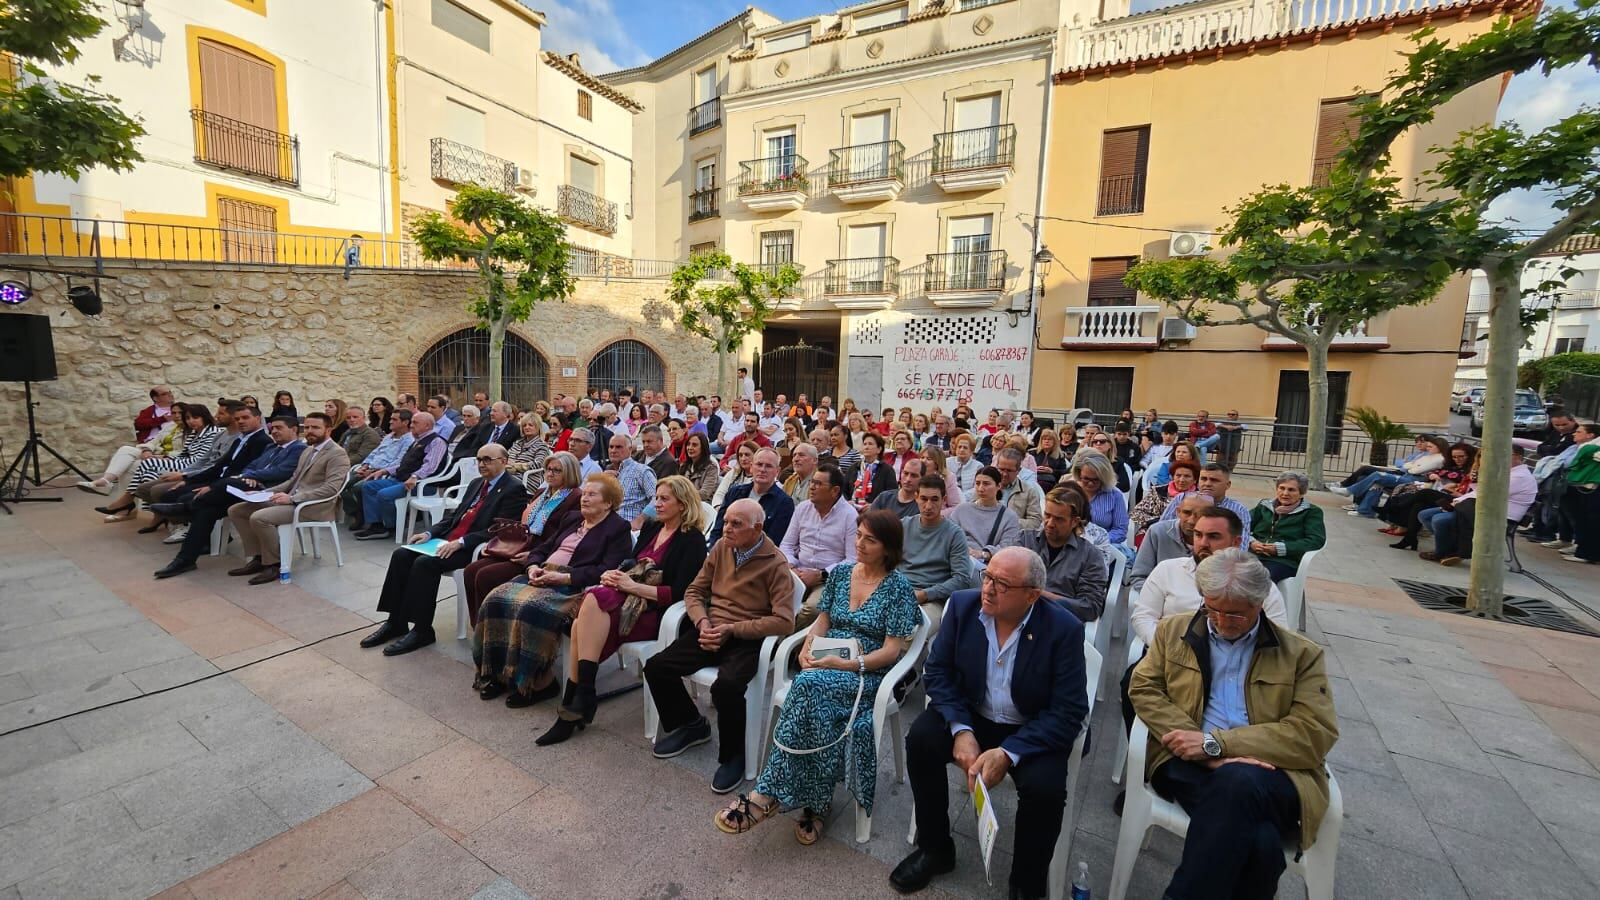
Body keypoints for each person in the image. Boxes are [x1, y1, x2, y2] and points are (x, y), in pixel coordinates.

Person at [1128, 548, 1339, 900]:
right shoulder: (1174, 631)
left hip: (1270, 772)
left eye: (1236, 615)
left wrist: (1217, 746)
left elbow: (1314, 732)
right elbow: (1144, 687)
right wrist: (1200, 749)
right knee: (1262, 846)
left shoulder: (1300, 654)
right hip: (1185, 761)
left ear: (1259, 604)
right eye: (1213, 609)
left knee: (1237, 780)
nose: (1223, 621)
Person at [892, 547, 1088, 899]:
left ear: (1032, 595)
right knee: (921, 739)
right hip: (973, 714)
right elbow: (938, 672)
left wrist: (1010, 752)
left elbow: (1069, 710)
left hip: (1030, 728)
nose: (988, 588)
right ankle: (935, 848)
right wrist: (961, 730)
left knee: (1045, 790)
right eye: (987, 576)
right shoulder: (963, 607)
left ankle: (1026, 883)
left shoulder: (1063, 629)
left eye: (1002, 583)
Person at [715, 509, 920, 842]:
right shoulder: (841, 574)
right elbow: (822, 620)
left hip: (865, 673)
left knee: (807, 686)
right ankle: (817, 801)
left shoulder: (898, 588)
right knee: (812, 696)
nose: (861, 545)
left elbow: (892, 651)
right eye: (858, 536)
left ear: (889, 547)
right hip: (827, 659)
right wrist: (807, 647)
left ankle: (765, 794)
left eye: (871, 540)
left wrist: (850, 665)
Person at [532, 476, 711, 745]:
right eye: (656, 498)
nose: (657, 504)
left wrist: (630, 586)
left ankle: (576, 703)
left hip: (655, 612)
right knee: (588, 609)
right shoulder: (652, 528)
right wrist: (616, 575)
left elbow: (681, 593)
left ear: (683, 504)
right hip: (626, 600)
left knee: (586, 615)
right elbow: (631, 563)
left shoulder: (692, 540)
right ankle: (581, 697)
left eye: (664, 499)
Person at [645, 497, 795, 793]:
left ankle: (733, 756)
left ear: (758, 528)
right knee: (657, 667)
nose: (726, 528)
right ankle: (691, 724)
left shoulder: (775, 563)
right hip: (712, 628)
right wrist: (702, 623)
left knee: (726, 687)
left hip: (746, 637)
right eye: (725, 521)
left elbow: (784, 621)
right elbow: (695, 591)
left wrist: (733, 629)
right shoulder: (721, 548)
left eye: (736, 524)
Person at [472, 473, 632, 702]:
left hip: (575, 586)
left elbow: (607, 569)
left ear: (608, 503)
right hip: (544, 574)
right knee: (495, 599)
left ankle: (539, 682)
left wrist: (563, 578)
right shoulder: (572, 518)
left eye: (592, 495)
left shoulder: (617, 528)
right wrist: (533, 567)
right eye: (584, 494)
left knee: (532, 609)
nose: (584, 498)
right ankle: (499, 673)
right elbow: (544, 547)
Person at [357, 444, 527, 654]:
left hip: (472, 547)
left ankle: (422, 630)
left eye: (488, 460)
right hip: (448, 541)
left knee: (425, 564)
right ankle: (396, 621)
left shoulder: (514, 488)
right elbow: (453, 518)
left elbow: (500, 529)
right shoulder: (476, 483)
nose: (482, 464)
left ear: (504, 461)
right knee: (402, 554)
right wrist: (429, 533)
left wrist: (462, 542)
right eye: (479, 459)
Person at [150, 415, 305, 579]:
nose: (274, 431)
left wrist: (253, 477)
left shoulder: (298, 449)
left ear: (293, 429)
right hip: (248, 490)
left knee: (229, 483)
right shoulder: (271, 448)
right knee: (206, 511)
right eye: (272, 428)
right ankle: (185, 559)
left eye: (279, 428)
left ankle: (186, 507)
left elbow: (282, 471)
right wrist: (248, 475)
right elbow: (250, 466)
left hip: (269, 492)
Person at [223, 412, 353, 584]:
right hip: (294, 500)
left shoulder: (337, 454)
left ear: (328, 429)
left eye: (315, 428)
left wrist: (293, 498)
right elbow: (293, 480)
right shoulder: (308, 450)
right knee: (237, 510)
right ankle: (258, 558)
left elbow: (330, 489)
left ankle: (275, 564)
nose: (309, 431)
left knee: (260, 518)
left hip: (314, 506)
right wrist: (265, 493)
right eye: (306, 427)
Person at [1132, 507, 1287, 646]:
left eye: (1213, 536)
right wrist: (1167, 649)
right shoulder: (1168, 569)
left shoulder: (1256, 582)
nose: (1203, 543)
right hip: (1166, 653)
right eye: (1198, 535)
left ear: (1236, 542)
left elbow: (1278, 631)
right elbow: (1144, 617)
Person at [461, 452, 584, 624]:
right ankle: (480, 625)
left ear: (570, 473)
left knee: (486, 575)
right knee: (471, 570)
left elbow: (564, 535)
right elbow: (523, 523)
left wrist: (533, 555)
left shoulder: (575, 497)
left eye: (557, 470)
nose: (550, 474)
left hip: (541, 554)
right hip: (521, 545)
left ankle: (496, 626)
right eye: (548, 469)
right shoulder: (543, 492)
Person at [96, 405, 227, 520]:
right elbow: (183, 454)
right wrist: (165, 459)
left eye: (195, 417)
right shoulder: (194, 433)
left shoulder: (212, 433)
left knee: (147, 463)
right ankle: (155, 512)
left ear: (204, 417)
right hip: (185, 461)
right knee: (149, 469)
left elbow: (200, 459)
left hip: (195, 465)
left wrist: (168, 460)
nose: (191, 421)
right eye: (188, 418)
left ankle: (127, 500)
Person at [1422, 445, 1537, 566]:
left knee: (1438, 520)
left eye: (1504, 455)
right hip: (1481, 508)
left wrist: (1458, 501)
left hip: (1500, 516)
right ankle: (1450, 548)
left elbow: (1488, 495)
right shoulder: (1505, 472)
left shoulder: (1520, 477)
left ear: (1517, 457)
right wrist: (1457, 501)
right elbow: (1479, 492)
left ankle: (1442, 552)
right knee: (1424, 515)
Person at [352, 411, 448, 541]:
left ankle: (391, 526)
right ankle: (377, 525)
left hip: (421, 485)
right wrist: (384, 471)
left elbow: (430, 466)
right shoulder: (416, 440)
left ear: (427, 425)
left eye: (415, 422)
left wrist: (415, 476)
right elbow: (404, 463)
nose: (411, 425)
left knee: (384, 494)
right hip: (401, 479)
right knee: (368, 486)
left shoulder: (436, 442)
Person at [1019, 485, 1110, 623]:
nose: (1050, 523)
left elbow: (1090, 607)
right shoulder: (1024, 540)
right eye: (1047, 515)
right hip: (1017, 615)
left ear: (1074, 522)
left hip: (1058, 623)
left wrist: (1042, 596)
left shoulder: (1090, 556)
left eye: (1059, 519)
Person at [782, 466, 858, 628]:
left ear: (835, 490)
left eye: (818, 484)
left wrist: (821, 575)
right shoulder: (803, 508)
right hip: (797, 572)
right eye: (812, 482)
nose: (812, 487)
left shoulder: (850, 516)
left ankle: (781, 643)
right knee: (768, 596)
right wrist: (791, 565)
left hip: (827, 580)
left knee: (814, 609)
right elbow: (787, 544)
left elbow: (852, 560)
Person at [1130, 491, 1214, 596]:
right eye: (1187, 513)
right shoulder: (1157, 532)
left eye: (1200, 515)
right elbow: (1139, 576)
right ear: (1178, 512)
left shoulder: (1217, 539)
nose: (1192, 520)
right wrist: (1157, 600)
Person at [342, 409, 414, 527]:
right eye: (391, 419)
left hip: (383, 472)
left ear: (405, 422)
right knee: (343, 485)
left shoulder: (408, 440)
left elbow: (399, 461)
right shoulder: (389, 437)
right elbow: (375, 453)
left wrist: (375, 471)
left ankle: (369, 520)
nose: (390, 422)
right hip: (370, 468)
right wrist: (365, 466)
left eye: (394, 419)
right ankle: (357, 514)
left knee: (358, 488)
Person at [1248, 472, 1327, 581]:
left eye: (1291, 490)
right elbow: (1239, 526)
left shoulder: (1311, 512)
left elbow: (1316, 541)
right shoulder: (1264, 506)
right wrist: (1251, 542)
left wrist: (1281, 548)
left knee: (1260, 579)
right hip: (1252, 554)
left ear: (1301, 493)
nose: (1285, 493)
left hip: (1284, 561)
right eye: (1282, 488)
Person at [708, 448, 793, 545]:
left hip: (758, 557)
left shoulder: (784, 503)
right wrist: (717, 553)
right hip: (724, 551)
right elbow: (717, 530)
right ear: (752, 467)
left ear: (777, 471)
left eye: (769, 466)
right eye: (759, 464)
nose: (762, 470)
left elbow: (772, 542)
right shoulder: (734, 493)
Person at [1158, 462, 1254, 545]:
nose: (1207, 483)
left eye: (1214, 480)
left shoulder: (1238, 510)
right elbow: (1162, 529)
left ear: (1227, 485)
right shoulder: (1182, 499)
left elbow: (1241, 546)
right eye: (1203, 479)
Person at [948, 465, 1021, 563]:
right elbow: (948, 536)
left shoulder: (1009, 516)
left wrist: (984, 554)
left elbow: (1008, 547)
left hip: (987, 564)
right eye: (977, 483)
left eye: (986, 484)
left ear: (998, 486)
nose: (981, 489)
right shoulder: (961, 510)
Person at [1072, 450, 1129, 551]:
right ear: (1079, 474)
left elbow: (1120, 530)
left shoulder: (1115, 495)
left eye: (1095, 480)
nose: (1090, 483)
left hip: (1103, 546)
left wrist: (1099, 540)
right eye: (1086, 479)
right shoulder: (1070, 492)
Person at [1560, 423, 1599, 565]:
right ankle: (1582, 548)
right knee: (1583, 518)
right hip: (1585, 486)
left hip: (1593, 487)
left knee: (1591, 520)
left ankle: (1587, 553)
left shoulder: (1592, 446)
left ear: (1590, 435)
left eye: (1579, 432)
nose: (1574, 434)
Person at [1130, 459, 1199, 536]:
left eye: (1187, 476)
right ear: (1173, 477)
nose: (1181, 480)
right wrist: (1158, 522)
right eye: (1178, 475)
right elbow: (1137, 512)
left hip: (1187, 536)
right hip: (1153, 531)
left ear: (1195, 480)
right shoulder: (1158, 491)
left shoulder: (1199, 498)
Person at [983, 448, 1045, 531]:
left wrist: (1007, 522)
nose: (1004, 474)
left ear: (1018, 471)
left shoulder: (1029, 491)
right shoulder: (984, 486)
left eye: (1009, 471)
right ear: (996, 467)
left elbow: (1035, 521)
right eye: (1001, 469)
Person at [605, 433, 657, 525]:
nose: (613, 450)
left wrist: (640, 520)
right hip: (607, 526)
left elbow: (657, 498)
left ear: (630, 449)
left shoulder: (641, 470)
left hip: (630, 529)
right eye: (611, 447)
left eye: (618, 447)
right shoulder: (606, 472)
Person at [850, 432, 897, 507]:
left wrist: (874, 506)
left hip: (876, 512)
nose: (866, 447)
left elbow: (892, 494)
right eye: (865, 444)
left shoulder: (887, 470)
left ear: (879, 449)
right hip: (853, 508)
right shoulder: (854, 467)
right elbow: (844, 490)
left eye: (870, 444)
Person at [506, 412, 552, 490]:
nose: (527, 427)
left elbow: (539, 464)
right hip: (510, 474)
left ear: (538, 427)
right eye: (524, 425)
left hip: (529, 479)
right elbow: (506, 457)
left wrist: (516, 466)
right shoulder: (517, 443)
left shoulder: (542, 446)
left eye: (530, 425)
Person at [870, 456, 925, 520]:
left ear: (923, 478)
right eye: (905, 473)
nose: (908, 479)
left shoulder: (922, 506)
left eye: (914, 476)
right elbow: (869, 523)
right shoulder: (884, 497)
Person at [679, 432, 721, 503]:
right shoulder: (684, 466)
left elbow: (704, 494)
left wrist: (682, 494)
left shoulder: (711, 468)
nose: (690, 448)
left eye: (694, 445)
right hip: (685, 503)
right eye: (688, 444)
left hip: (702, 505)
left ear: (703, 447)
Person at [712, 441, 756, 508]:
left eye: (747, 455)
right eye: (740, 455)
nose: (743, 459)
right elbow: (719, 494)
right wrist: (718, 507)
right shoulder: (733, 472)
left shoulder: (760, 477)